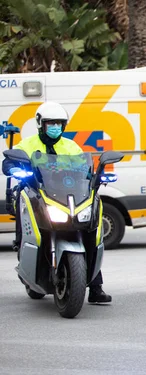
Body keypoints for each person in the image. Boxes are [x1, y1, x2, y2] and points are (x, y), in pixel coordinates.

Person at [1, 101, 112, 304]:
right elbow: (8, 162)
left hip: (66, 196)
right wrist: (13, 169)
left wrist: (96, 177)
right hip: (36, 194)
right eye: (51, 123)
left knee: (89, 233)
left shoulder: (70, 146)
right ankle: (22, 249)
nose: (55, 127)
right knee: (24, 209)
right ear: (40, 124)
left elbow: (84, 170)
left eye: (59, 124)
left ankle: (96, 287)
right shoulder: (28, 144)